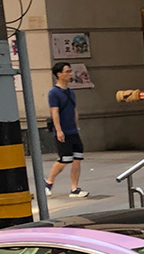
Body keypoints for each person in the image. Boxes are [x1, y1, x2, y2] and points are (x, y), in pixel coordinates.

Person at [46, 62, 89, 198]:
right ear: (59, 74)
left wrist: (77, 126)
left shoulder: (71, 92)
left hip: (73, 131)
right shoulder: (54, 93)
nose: (70, 74)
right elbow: (54, 112)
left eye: (70, 71)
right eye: (67, 71)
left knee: (77, 158)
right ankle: (49, 182)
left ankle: (74, 188)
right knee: (64, 159)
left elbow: (74, 110)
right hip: (63, 131)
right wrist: (58, 130)